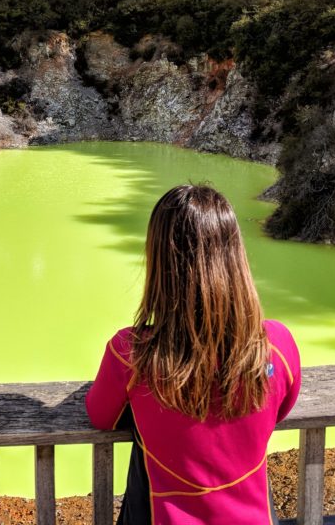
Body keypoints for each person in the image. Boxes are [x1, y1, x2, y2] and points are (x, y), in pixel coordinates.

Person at [86, 185, 301, 525]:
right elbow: (281, 408)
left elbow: (101, 417)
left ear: (159, 261)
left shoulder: (131, 353)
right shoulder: (278, 344)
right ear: (235, 257)